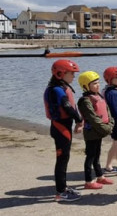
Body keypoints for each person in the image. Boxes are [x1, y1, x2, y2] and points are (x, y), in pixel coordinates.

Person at [44, 59, 84, 202]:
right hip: (60, 128)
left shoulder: (58, 87)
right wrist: (79, 120)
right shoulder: (57, 90)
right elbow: (67, 107)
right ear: (61, 74)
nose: (74, 76)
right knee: (62, 159)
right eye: (71, 73)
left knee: (64, 158)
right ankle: (61, 192)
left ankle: (63, 188)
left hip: (62, 127)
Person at [77, 71, 115, 189]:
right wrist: (106, 129)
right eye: (94, 84)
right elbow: (92, 117)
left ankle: (100, 176)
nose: (97, 85)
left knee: (97, 155)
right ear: (85, 86)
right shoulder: (85, 100)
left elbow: (107, 111)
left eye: (98, 83)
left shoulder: (99, 96)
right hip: (91, 133)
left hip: (99, 131)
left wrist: (111, 123)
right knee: (90, 156)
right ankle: (88, 181)